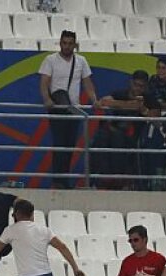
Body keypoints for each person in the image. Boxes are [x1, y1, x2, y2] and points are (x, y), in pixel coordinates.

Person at [38, 30, 96, 189]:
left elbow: (87, 83)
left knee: (70, 145)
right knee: (59, 144)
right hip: (57, 107)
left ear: (75, 44)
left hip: (74, 109)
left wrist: (94, 100)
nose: (67, 46)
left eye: (70, 43)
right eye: (64, 43)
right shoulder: (50, 60)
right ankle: (58, 180)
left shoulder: (81, 61)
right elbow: (44, 83)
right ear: (60, 43)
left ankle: (64, 179)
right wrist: (47, 99)